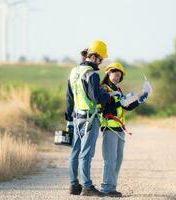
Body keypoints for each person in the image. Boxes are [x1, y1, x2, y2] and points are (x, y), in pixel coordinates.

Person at [65, 40, 112, 197]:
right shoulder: (91, 75)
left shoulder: (73, 72)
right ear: (94, 57)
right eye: (101, 59)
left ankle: (74, 185)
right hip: (90, 119)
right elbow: (96, 98)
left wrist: (69, 119)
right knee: (86, 153)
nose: (101, 62)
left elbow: (69, 98)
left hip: (76, 118)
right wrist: (107, 95)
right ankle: (87, 187)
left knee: (75, 151)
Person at [99, 63, 149, 197]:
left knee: (118, 159)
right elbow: (105, 106)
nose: (117, 77)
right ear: (109, 73)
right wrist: (116, 99)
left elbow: (125, 107)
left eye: (119, 76)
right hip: (109, 127)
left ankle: (112, 187)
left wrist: (140, 99)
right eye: (115, 74)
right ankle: (105, 188)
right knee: (110, 159)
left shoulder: (117, 89)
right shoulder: (104, 88)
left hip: (120, 128)